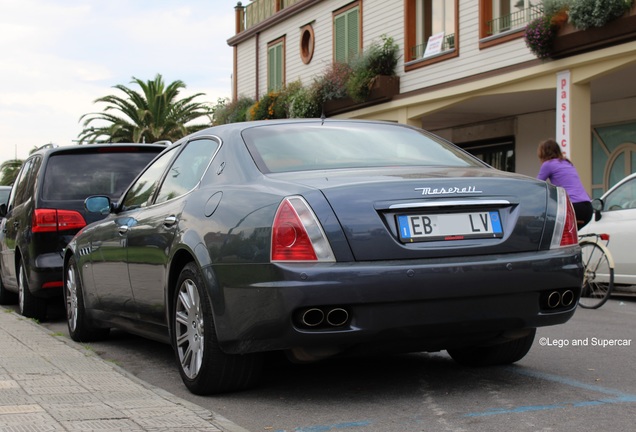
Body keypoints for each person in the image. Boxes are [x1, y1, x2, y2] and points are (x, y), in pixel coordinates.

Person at [537, 138, 593, 230]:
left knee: (550, 229)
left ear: (543, 154)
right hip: (587, 207)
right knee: (566, 238)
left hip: (574, 207)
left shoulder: (548, 164)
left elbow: (538, 184)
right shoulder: (567, 163)